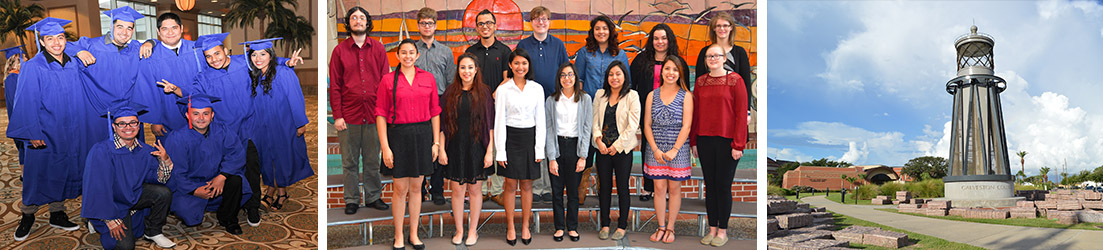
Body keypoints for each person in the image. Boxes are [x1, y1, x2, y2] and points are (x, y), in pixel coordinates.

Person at [8, 17, 91, 241]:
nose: (56, 43)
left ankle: (57, 213)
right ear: (42, 42)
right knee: (37, 175)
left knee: (62, 171)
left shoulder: (73, 63)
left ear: (66, 40)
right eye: (50, 39)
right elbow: (25, 101)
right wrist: (31, 132)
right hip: (44, 132)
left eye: (61, 38)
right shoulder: (33, 67)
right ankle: (27, 216)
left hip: (70, 130)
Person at [81, 100, 176, 249]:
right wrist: (109, 219)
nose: (128, 127)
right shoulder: (101, 151)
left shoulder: (145, 150)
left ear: (139, 125)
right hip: (111, 205)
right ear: (114, 126)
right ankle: (94, 219)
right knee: (125, 246)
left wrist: (165, 161)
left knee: (163, 193)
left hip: (132, 196)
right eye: (122, 124)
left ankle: (153, 232)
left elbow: (159, 180)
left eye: (133, 123)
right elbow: (96, 189)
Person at [375, 39, 440, 250]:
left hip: (422, 136)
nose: (408, 56)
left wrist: (435, 143)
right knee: (400, 189)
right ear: (398, 56)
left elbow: (435, 113)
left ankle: (413, 234)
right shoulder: (387, 80)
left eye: (411, 52)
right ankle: (398, 236)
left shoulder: (428, 78)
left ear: (417, 55)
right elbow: (381, 114)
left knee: (416, 187)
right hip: (399, 136)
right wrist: (385, 146)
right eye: (404, 53)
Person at [164, 93, 255, 235]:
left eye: (206, 113)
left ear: (212, 115)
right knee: (187, 213)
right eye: (196, 114)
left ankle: (228, 218)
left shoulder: (223, 130)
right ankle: (200, 203)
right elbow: (176, 172)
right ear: (188, 116)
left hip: (218, 180)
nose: (201, 118)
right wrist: (194, 190)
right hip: (191, 184)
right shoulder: (177, 138)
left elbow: (236, 154)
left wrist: (222, 176)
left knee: (236, 181)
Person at [330, 6, 391, 214]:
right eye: (354, 18)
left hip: (375, 115)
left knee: (373, 160)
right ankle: (352, 200)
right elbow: (335, 86)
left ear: (367, 22)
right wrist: (337, 116)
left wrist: (384, 113)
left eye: (362, 17)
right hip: (349, 116)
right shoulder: (339, 51)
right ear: (349, 23)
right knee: (349, 162)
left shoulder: (379, 49)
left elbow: (386, 83)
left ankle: (373, 197)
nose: (358, 20)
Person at [242, 37, 314, 211]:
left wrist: (300, 122)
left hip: (283, 124)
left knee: (281, 159)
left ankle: (275, 193)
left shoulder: (283, 73)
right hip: (261, 126)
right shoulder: (255, 75)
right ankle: (277, 192)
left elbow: (296, 98)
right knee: (268, 159)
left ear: (271, 55)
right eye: (254, 55)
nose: (258, 58)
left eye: (263, 54)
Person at [691, 44, 748, 247]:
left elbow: (742, 114)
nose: (713, 59)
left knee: (723, 186)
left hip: (727, 141)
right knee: (710, 186)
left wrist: (738, 144)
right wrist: (694, 141)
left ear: (724, 58)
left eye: (717, 55)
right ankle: (712, 228)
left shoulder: (735, 80)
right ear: (706, 60)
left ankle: (723, 231)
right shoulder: (700, 82)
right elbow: (696, 113)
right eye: (709, 56)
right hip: (705, 139)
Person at [438, 53, 494, 246]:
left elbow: (490, 124)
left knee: (475, 190)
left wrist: (490, 151)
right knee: (457, 190)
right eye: (463, 67)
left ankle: (473, 231)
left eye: (470, 67)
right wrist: (442, 149)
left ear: (476, 69)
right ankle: (459, 230)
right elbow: (443, 125)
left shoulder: (484, 92)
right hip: (454, 147)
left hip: (477, 146)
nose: (466, 71)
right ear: (458, 70)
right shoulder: (450, 92)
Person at [574, 15, 630, 204]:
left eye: (605, 28)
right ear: (592, 31)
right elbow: (578, 81)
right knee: (588, 146)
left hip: (611, 110)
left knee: (605, 147)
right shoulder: (584, 53)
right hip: (589, 107)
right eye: (597, 28)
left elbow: (625, 83)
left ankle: (601, 189)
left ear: (610, 31)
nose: (601, 32)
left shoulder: (620, 54)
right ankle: (581, 188)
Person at [515, 6, 568, 203]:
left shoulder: (558, 45)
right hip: (528, 102)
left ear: (549, 22)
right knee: (534, 143)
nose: (541, 22)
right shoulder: (523, 44)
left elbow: (565, 70)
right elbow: (517, 71)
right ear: (531, 22)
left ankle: (548, 187)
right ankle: (536, 186)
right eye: (536, 19)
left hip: (553, 100)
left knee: (549, 144)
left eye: (544, 19)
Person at [630, 23, 688, 202]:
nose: (660, 42)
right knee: (648, 147)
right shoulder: (641, 60)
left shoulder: (679, 62)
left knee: (671, 148)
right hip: (648, 111)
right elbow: (632, 87)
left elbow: (686, 88)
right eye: (656, 38)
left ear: (669, 40)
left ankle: (670, 188)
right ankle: (649, 187)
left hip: (673, 112)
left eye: (663, 38)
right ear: (651, 40)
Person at [494, 48, 546, 246]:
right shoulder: (503, 90)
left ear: (528, 66)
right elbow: (499, 120)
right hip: (510, 138)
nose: (520, 67)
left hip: (530, 138)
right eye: (516, 63)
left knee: (526, 184)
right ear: (510, 65)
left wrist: (539, 148)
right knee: (509, 184)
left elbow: (540, 119)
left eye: (524, 63)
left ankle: (525, 226)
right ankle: (510, 227)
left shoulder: (537, 89)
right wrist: (501, 150)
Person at [643, 56, 694, 244]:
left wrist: (674, 149)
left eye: (675, 69)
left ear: (680, 73)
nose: (671, 73)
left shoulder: (686, 96)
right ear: (661, 72)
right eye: (667, 69)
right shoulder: (651, 95)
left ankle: (671, 227)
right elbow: (647, 125)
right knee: (658, 188)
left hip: (677, 148)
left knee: (674, 188)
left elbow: (686, 126)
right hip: (655, 146)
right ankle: (661, 226)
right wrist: (655, 149)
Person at [464, 9, 512, 206]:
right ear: (476, 27)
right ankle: (482, 189)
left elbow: (507, 78)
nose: (485, 26)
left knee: (499, 143)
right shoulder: (471, 52)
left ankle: (498, 189)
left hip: (498, 105)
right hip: (476, 105)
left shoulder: (504, 50)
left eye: (489, 23)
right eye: (481, 23)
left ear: (495, 25)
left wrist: (495, 93)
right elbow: (466, 78)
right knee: (479, 143)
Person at [133, 12, 204, 142]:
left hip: (199, 113)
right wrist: (155, 120)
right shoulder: (150, 56)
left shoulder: (196, 50)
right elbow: (147, 90)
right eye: (165, 29)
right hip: (167, 117)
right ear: (158, 32)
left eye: (174, 28)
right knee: (171, 153)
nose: (170, 32)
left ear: (181, 28)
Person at [591, 60, 639, 241]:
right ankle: (604, 223)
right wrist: (598, 140)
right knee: (604, 188)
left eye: (618, 74)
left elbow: (632, 125)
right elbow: (595, 120)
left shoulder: (632, 96)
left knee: (622, 188)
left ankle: (622, 225)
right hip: (602, 149)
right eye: (611, 74)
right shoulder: (600, 95)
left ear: (624, 76)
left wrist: (616, 146)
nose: (614, 77)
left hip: (622, 150)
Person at [543, 62, 591, 242]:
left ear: (576, 77)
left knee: (573, 191)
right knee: (556, 191)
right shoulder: (551, 100)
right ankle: (559, 227)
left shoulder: (585, 99)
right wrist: (552, 157)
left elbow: (587, 128)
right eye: (563, 75)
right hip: (557, 146)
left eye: (570, 74)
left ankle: (572, 227)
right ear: (559, 79)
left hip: (575, 147)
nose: (567, 78)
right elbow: (548, 129)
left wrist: (583, 156)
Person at [413, 7, 456, 205]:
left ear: (435, 26)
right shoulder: (412, 50)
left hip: (439, 102)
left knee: (439, 145)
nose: (427, 26)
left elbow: (450, 82)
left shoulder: (446, 52)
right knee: (421, 146)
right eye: (423, 23)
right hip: (416, 104)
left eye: (430, 23)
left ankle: (437, 189)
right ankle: (419, 189)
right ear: (418, 25)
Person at [693, 11, 752, 111]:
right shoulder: (705, 52)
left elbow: (746, 83)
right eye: (718, 26)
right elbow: (698, 82)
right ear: (714, 28)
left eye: (725, 25)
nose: (722, 29)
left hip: (733, 105)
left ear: (731, 27)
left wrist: (747, 111)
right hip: (709, 105)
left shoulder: (740, 52)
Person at [2, 45, 25, 168]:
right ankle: (24, 175)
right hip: (20, 119)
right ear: (15, 61)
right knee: (24, 148)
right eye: (24, 57)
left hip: (21, 118)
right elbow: (16, 102)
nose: (27, 59)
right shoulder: (12, 77)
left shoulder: (18, 76)